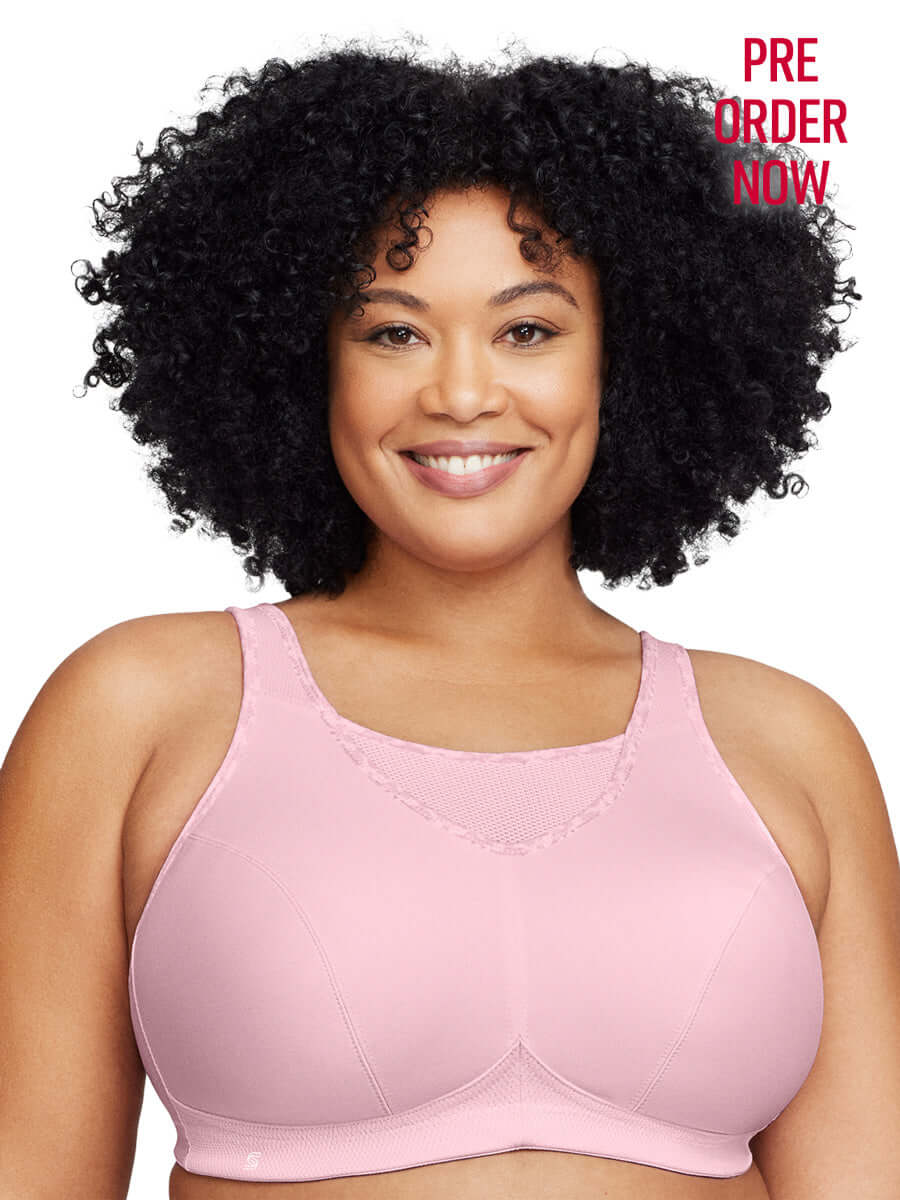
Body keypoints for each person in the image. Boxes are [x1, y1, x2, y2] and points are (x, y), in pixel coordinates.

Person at [2, 35, 899, 1200]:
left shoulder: (790, 744)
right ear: (303, 363)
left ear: (624, 360)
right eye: (394, 332)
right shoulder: (140, 710)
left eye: (528, 330)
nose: (463, 393)